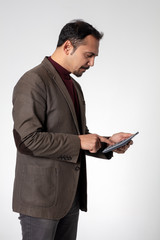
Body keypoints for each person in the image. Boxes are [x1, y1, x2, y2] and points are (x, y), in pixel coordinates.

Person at [12, 19, 133, 240]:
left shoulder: (74, 86)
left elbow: (79, 133)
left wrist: (109, 142)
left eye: (95, 56)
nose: (92, 63)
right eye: (89, 55)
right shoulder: (33, 81)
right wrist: (79, 141)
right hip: (41, 202)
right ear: (67, 47)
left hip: (70, 198)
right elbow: (27, 140)